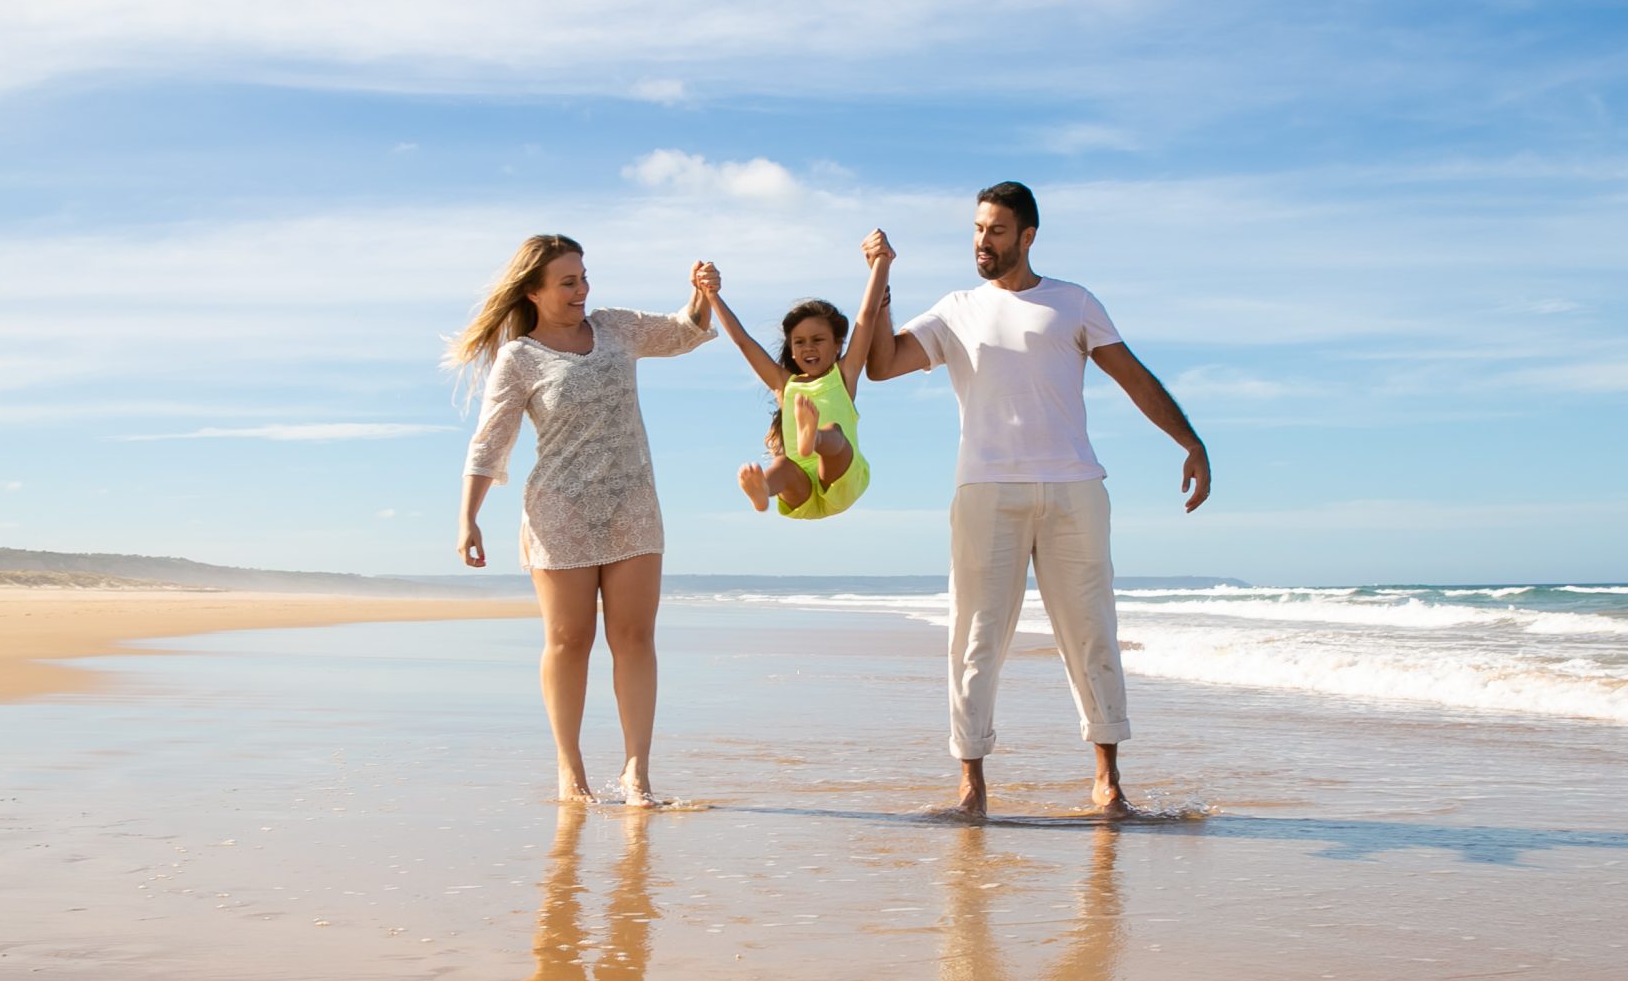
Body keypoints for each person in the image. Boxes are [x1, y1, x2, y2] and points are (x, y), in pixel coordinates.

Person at [864, 182, 1210, 817]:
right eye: (976, 230)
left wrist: (1190, 441)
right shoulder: (957, 308)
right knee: (975, 638)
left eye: (995, 231)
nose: (982, 243)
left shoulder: (1073, 302)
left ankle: (1108, 783)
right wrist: (881, 289)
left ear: (1027, 236)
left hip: (1075, 488)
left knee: (1091, 634)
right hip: (986, 489)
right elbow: (882, 365)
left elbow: (1131, 375)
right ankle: (972, 786)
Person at [452, 235, 717, 805]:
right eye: (568, 282)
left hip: (632, 506)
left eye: (584, 277)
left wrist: (701, 294)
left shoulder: (616, 328)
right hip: (560, 511)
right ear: (535, 291)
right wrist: (468, 518)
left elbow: (682, 332)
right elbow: (491, 440)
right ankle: (570, 772)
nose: (582, 290)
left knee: (634, 637)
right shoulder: (520, 357)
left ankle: (636, 774)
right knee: (570, 640)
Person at [705, 238, 894, 519]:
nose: (809, 348)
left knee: (835, 433)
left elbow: (866, 314)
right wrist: (711, 295)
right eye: (800, 342)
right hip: (801, 488)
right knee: (782, 464)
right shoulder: (784, 385)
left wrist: (882, 262)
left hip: (840, 479)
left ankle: (815, 436)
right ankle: (763, 490)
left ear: (838, 345)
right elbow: (743, 341)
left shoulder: (844, 374)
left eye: (818, 340)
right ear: (791, 350)